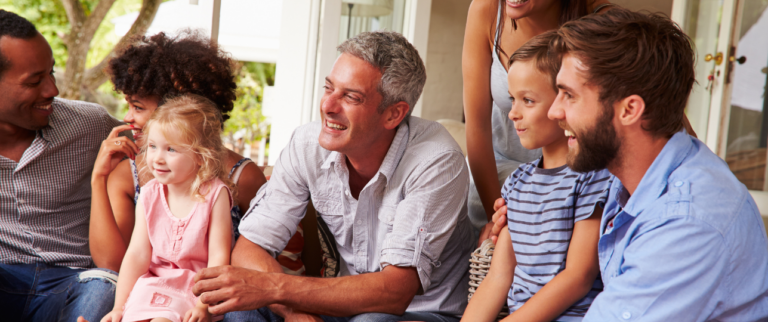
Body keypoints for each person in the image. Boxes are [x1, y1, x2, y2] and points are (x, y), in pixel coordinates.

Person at [492, 7, 768, 320]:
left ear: (629, 110)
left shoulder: (686, 224)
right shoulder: (633, 180)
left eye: (568, 95)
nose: (555, 112)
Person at [192, 31, 474, 322]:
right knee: (242, 310)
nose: (328, 106)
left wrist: (274, 288)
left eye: (351, 97)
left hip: (421, 312)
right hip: (341, 307)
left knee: (371, 321)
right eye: (329, 88)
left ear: (393, 114)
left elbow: (395, 292)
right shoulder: (307, 145)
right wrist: (293, 313)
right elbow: (250, 248)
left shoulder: (436, 160)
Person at [89, 31, 269, 274]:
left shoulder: (242, 177)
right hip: (149, 294)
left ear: (176, 110)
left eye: (138, 107)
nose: (127, 117)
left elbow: (262, 260)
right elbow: (111, 265)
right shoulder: (128, 173)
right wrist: (98, 179)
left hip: (210, 300)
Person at [463, 31, 611, 322]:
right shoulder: (517, 183)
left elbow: (577, 278)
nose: (513, 114)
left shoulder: (592, 179)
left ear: (565, 101)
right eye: (512, 99)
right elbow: (498, 278)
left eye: (528, 100)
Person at [0, 9, 122, 321]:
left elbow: (177, 145)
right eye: (35, 81)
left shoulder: (91, 125)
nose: (52, 90)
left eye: (51, 73)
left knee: (103, 285)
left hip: (76, 282)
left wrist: (238, 172)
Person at [462, 0, 612, 245]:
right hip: (496, 180)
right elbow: (477, 127)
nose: (514, 111)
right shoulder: (486, 10)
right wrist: (498, 216)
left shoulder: (599, 18)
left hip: (568, 177)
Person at [101, 95, 234, 322]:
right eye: (152, 146)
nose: (157, 159)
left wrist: (204, 305)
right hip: (152, 284)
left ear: (201, 156)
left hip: (194, 290)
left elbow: (219, 257)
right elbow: (137, 254)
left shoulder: (215, 194)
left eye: (171, 149)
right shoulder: (150, 193)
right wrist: (118, 308)